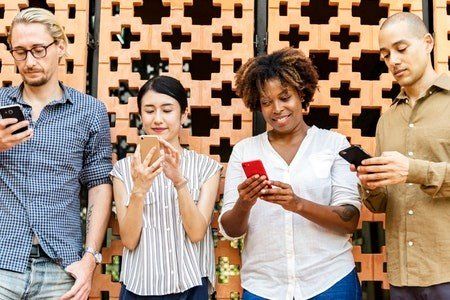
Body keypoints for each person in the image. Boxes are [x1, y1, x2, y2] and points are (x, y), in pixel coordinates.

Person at [219, 47, 362, 300]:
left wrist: (297, 204)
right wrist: (244, 203)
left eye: (285, 97)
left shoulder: (334, 145)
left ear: (301, 94)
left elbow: (349, 219)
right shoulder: (245, 151)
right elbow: (231, 230)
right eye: (266, 102)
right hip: (264, 286)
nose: (277, 108)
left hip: (330, 281)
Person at [0, 8, 112, 300]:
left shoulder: (90, 111)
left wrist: (90, 259)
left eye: (38, 49)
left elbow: (99, 185)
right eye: (20, 52)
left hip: (61, 266)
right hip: (3, 260)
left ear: (60, 46)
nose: (30, 61)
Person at [354, 12, 450, 299]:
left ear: (428, 42)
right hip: (402, 274)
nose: (393, 60)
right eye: (385, 55)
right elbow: (383, 203)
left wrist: (414, 171)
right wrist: (370, 185)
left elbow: (412, 173)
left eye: (401, 49)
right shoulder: (388, 119)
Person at [111, 75, 222, 299]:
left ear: (183, 114)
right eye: (150, 110)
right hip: (139, 286)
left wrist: (179, 182)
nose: (158, 119)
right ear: (141, 115)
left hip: (191, 283)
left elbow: (197, 233)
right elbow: (129, 240)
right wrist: (139, 189)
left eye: (167, 110)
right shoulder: (123, 170)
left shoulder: (206, 168)